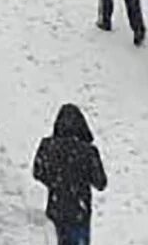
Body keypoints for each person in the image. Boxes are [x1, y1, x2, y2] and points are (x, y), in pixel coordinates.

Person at [31, 103, 107, 245]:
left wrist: (55, 181)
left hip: (55, 211)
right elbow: (101, 183)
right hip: (79, 213)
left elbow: (37, 172)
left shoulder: (48, 146)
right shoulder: (88, 151)